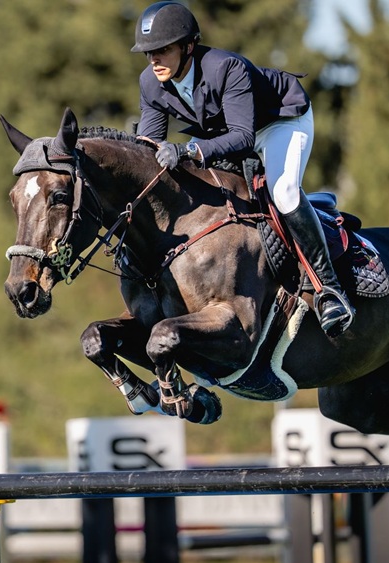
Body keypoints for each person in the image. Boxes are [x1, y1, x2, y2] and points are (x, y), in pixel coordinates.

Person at [130, 1, 354, 338]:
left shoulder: (225, 68)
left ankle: (329, 290)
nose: (154, 60)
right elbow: (149, 145)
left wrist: (189, 149)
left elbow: (244, 136)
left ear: (188, 46)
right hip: (226, 133)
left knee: (283, 192)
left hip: (279, 122)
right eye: (149, 53)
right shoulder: (151, 82)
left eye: (162, 50)